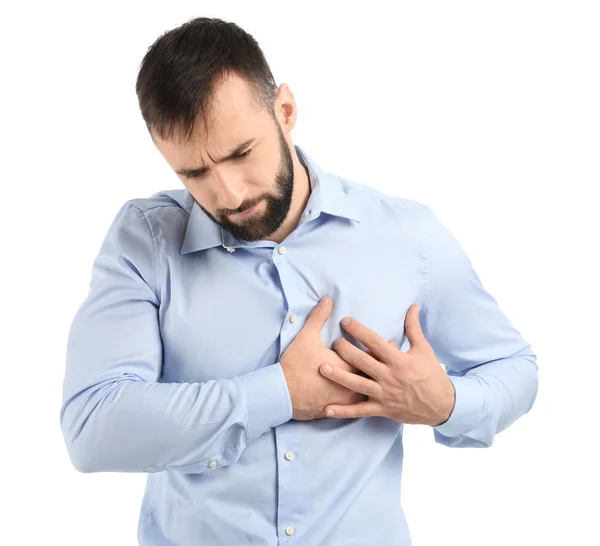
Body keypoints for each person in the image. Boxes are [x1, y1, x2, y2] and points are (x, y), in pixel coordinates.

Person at [59, 16, 539, 546]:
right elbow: (92, 427)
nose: (230, 194)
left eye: (241, 153)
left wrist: (444, 402)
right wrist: (279, 393)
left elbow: (515, 369)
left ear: (285, 111)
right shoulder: (144, 242)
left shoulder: (405, 235)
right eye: (194, 174)